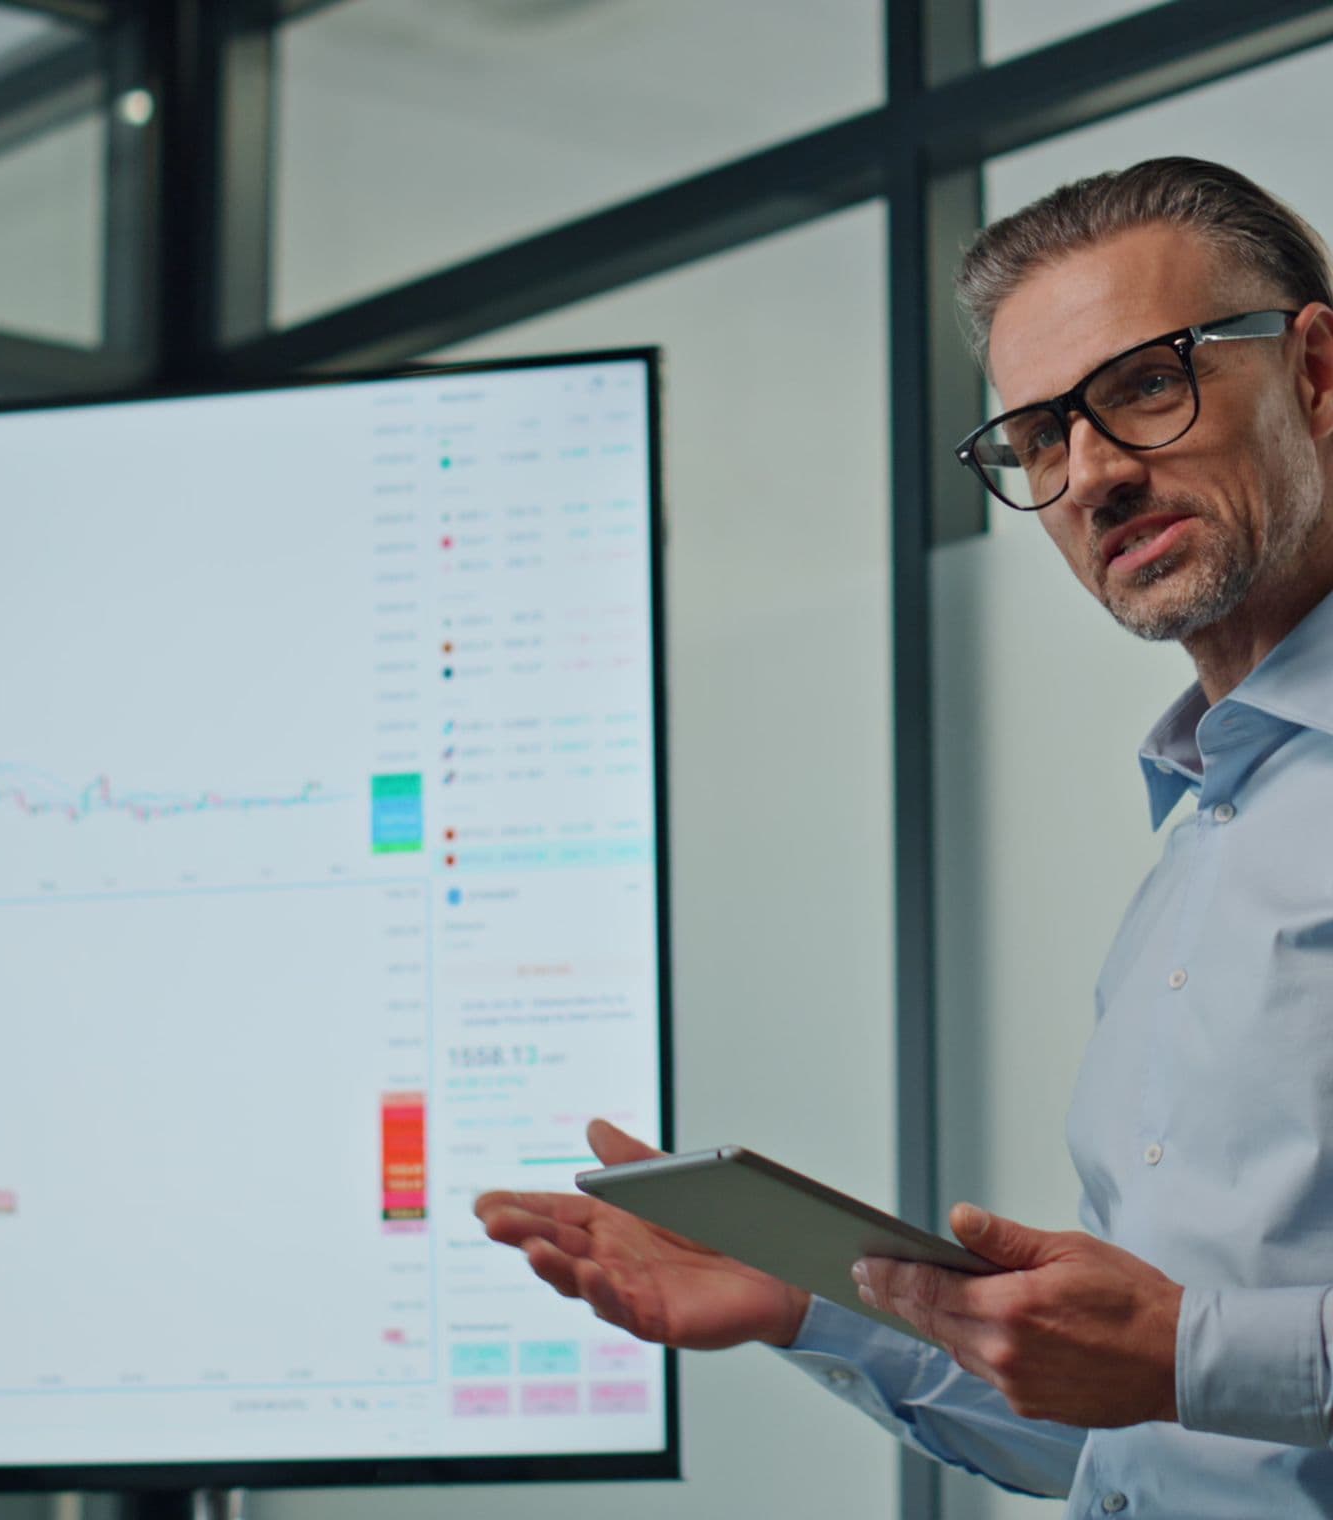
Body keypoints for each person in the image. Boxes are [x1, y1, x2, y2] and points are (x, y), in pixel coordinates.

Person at [474, 157, 1333, 1517]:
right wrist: (816, 1311)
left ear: (1316, 374)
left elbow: (1181, 1374)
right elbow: (1137, 1438)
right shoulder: (1196, 857)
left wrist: (1181, 1352)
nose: (1095, 473)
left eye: (1146, 386)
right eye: (1043, 435)